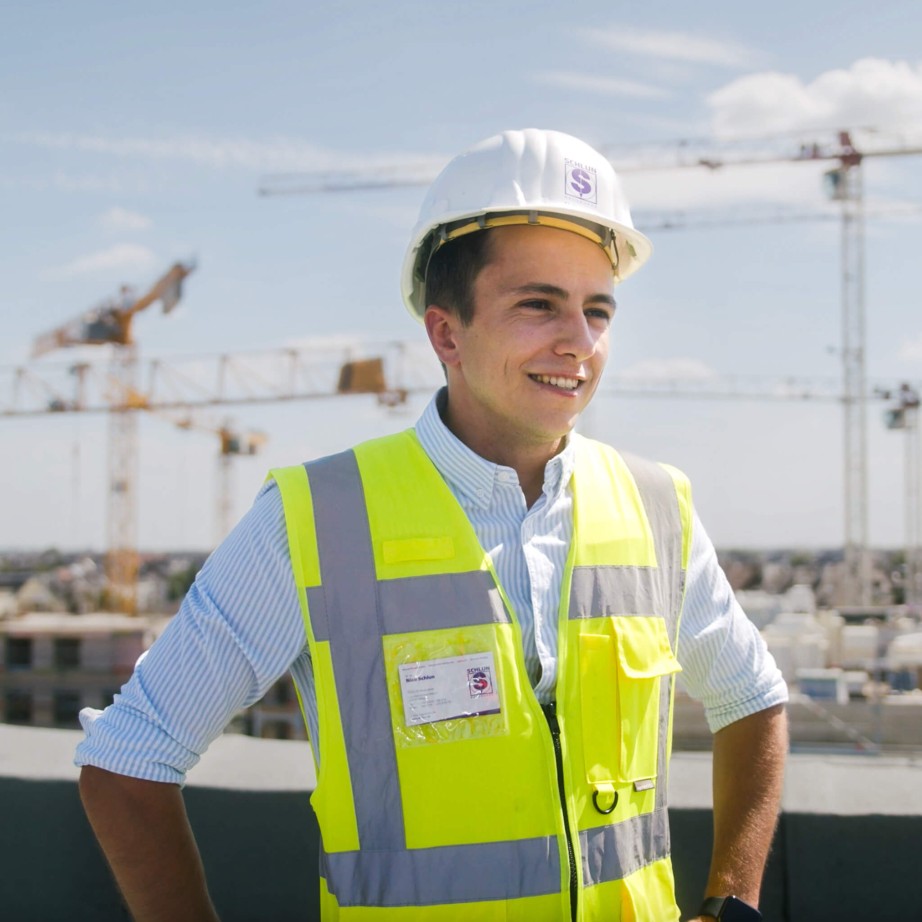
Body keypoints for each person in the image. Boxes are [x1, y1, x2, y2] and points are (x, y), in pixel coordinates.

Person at [76, 128, 788, 922]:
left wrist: (735, 902)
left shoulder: (658, 506)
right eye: (537, 305)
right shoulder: (317, 519)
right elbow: (127, 761)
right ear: (446, 332)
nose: (579, 343)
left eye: (598, 310)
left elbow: (752, 696)